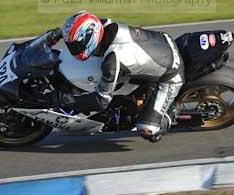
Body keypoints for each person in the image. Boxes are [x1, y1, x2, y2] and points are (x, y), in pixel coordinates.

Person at [47, 11, 184, 142]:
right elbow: (83, 24)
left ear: (90, 39)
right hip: (160, 43)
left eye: (76, 45)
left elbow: (101, 101)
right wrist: (58, 34)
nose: (73, 49)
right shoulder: (103, 26)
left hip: (170, 75)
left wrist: (63, 100)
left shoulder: (113, 60)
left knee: (148, 130)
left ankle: (172, 110)